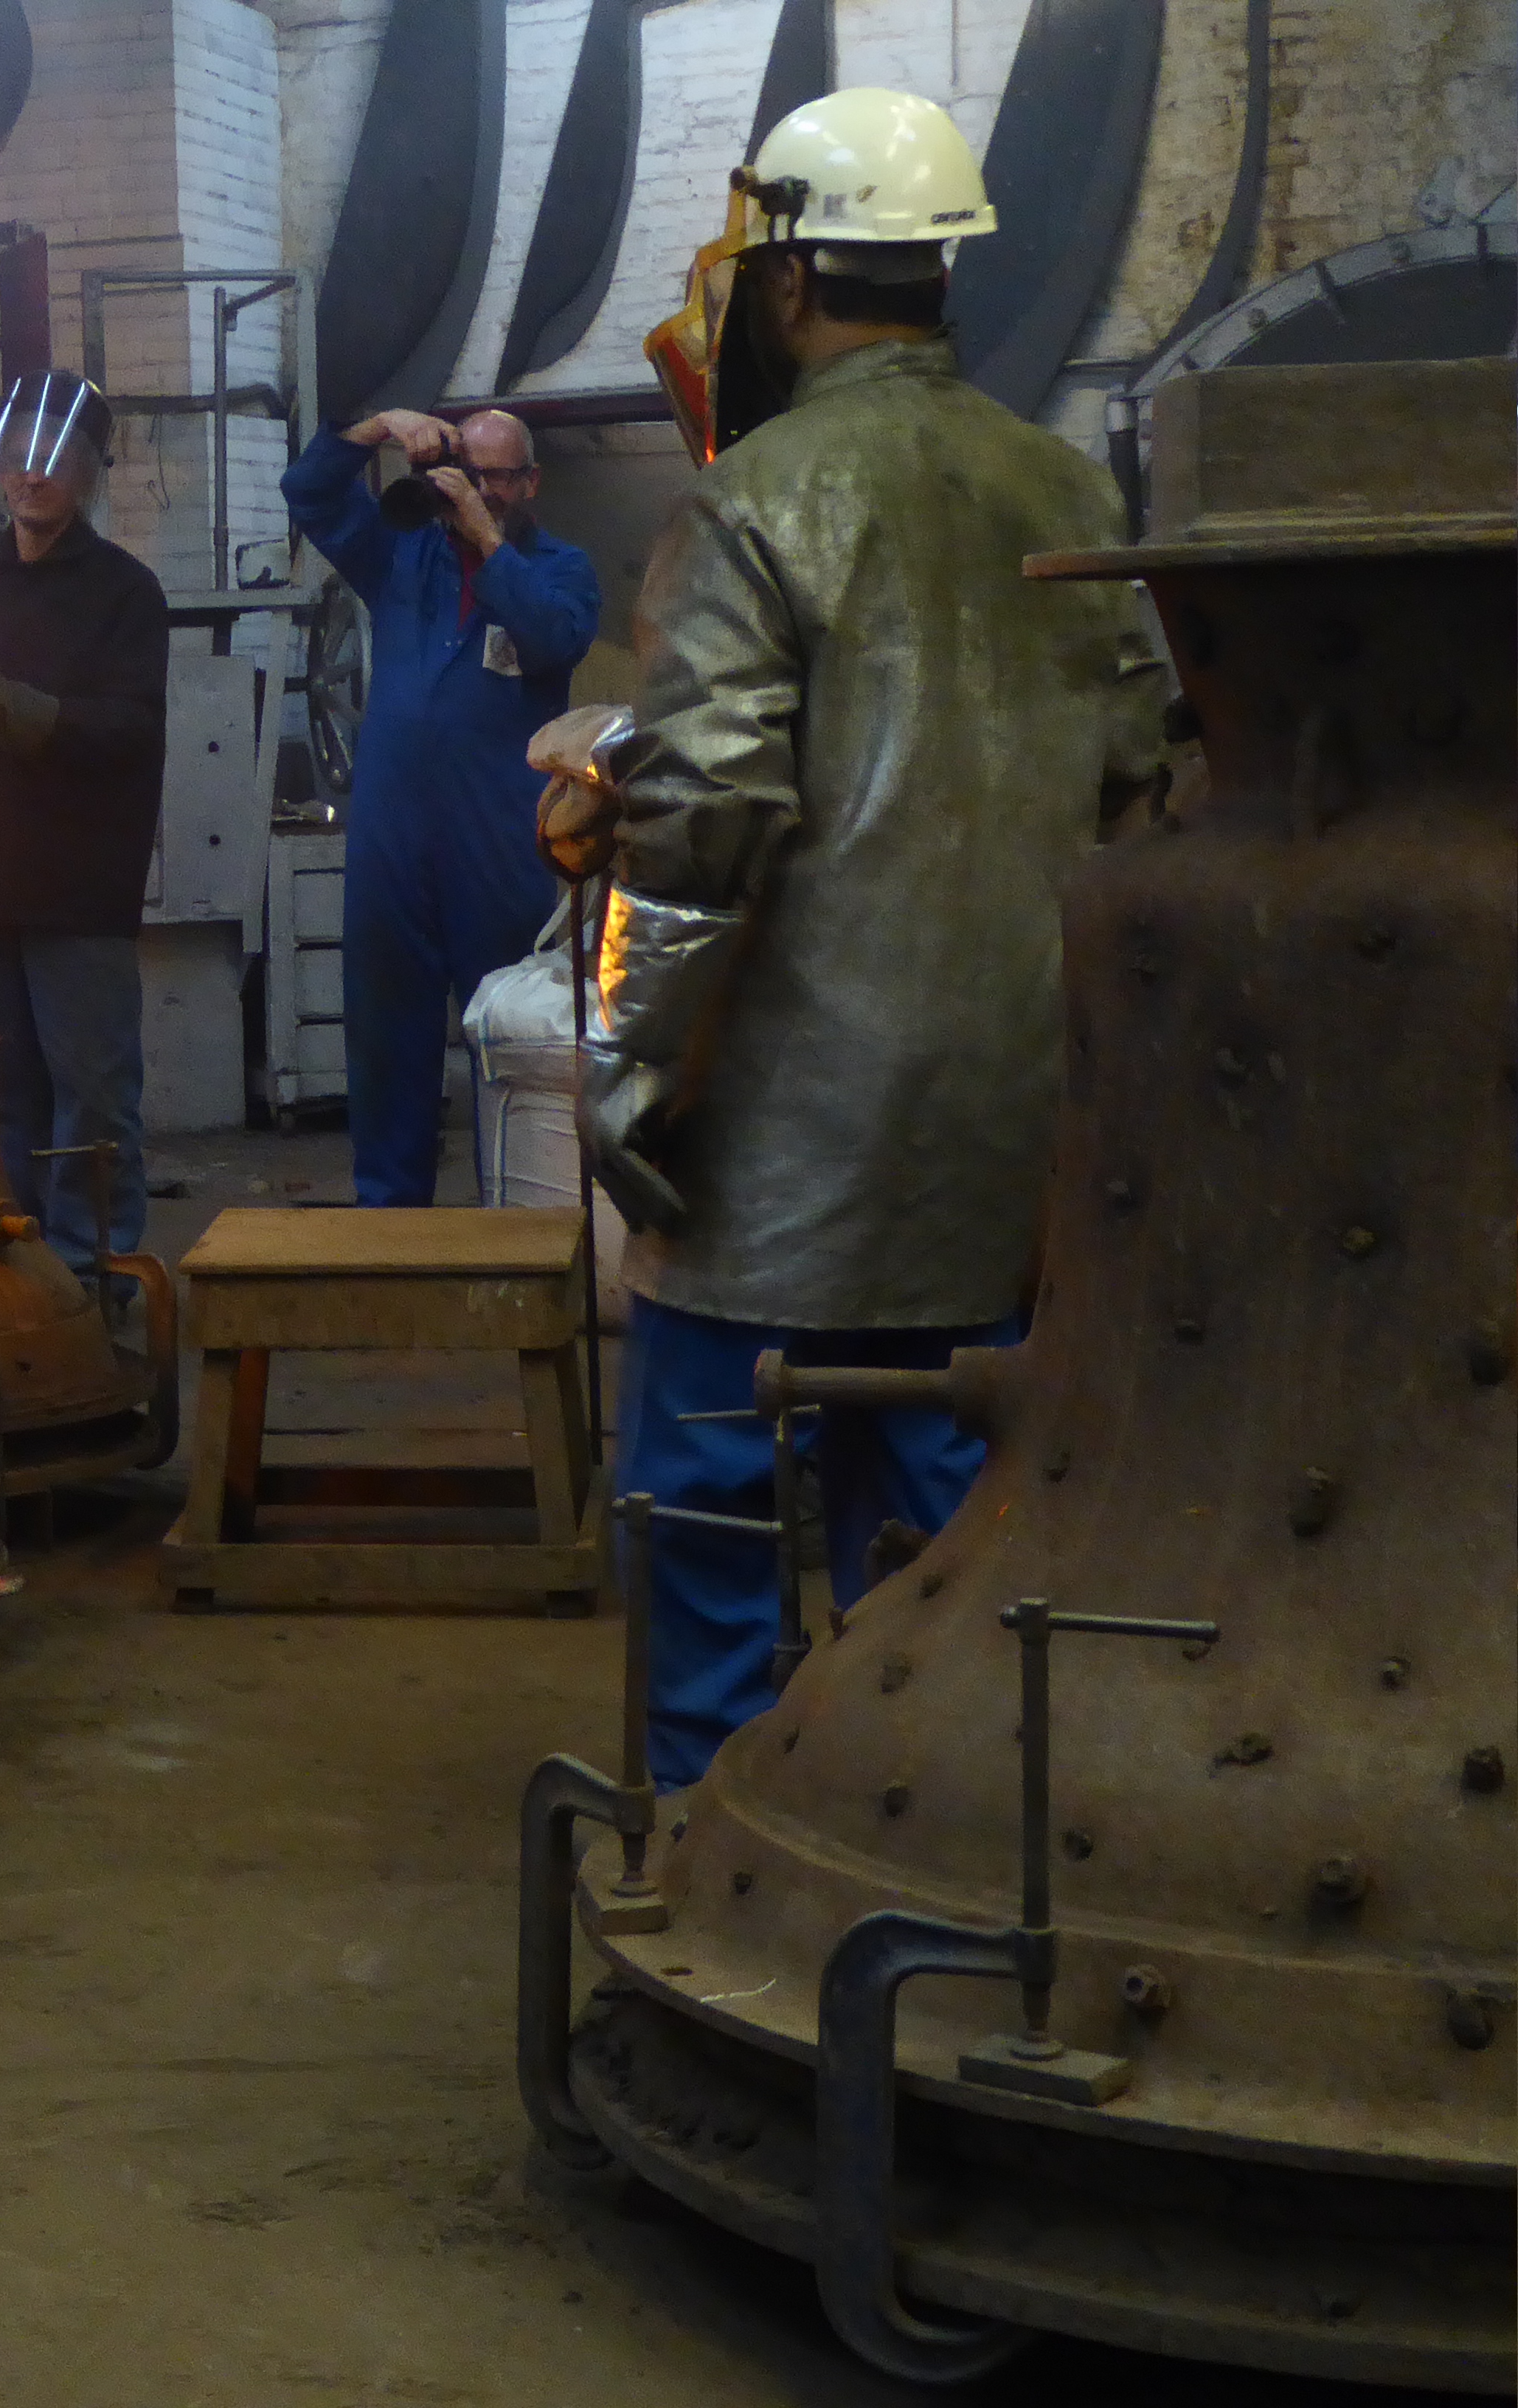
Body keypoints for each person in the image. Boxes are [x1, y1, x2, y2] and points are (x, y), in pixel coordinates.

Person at [584, 89, 1165, 1788]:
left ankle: (712, 1875)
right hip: (1009, 1153)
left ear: (781, 286)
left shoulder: (755, 501)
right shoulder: (1063, 484)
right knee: (964, 1567)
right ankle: (959, 1896)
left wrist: (632, 1067)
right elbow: (1141, 783)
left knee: (709, 1542)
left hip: (775, 1171)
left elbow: (705, 823)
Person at [283, 406, 600, 1205]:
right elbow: (310, 492)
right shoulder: (403, 554)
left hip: (498, 851)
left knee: (509, 1046)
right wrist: (378, 428)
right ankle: (391, 1220)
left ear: (529, 483)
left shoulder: (561, 567)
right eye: (464, 473)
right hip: (393, 845)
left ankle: (517, 1218)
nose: (474, 491)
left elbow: (555, 639)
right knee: (387, 1041)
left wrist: (488, 543)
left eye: (494, 478)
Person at [0, 369, 170, 1273]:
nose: (28, 476)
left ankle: (96, 1288)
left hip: (80, 897)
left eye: (51, 459)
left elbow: (129, 730)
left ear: (91, 470)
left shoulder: (126, 595)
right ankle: (14, 1287)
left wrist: (18, 707)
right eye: (14, 458)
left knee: (89, 1104)